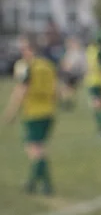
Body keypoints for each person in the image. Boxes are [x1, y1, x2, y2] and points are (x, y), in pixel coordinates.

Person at [3, 36, 58, 194]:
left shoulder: (26, 67)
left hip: (33, 113)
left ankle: (42, 184)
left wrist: (12, 112)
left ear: (29, 50)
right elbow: (55, 90)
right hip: (48, 112)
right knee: (39, 148)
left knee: (34, 150)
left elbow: (22, 90)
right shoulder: (47, 65)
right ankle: (36, 183)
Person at [58, 35, 86, 110]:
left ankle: (66, 103)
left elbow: (70, 64)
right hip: (70, 73)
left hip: (72, 73)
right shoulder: (71, 52)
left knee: (69, 89)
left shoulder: (77, 53)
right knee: (68, 89)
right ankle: (67, 102)